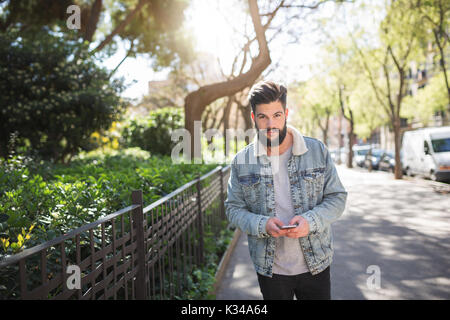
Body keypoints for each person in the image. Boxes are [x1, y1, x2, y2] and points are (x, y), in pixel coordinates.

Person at [224, 80, 347, 300]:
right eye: (263, 117)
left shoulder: (316, 150)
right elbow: (233, 209)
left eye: (277, 115)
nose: (271, 124)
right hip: (271, 269)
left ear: (286, 114)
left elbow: (337, 198)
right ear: (254, 118)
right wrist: (262, 224)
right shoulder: (241, 161)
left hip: (316, 263)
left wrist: (310, 221)